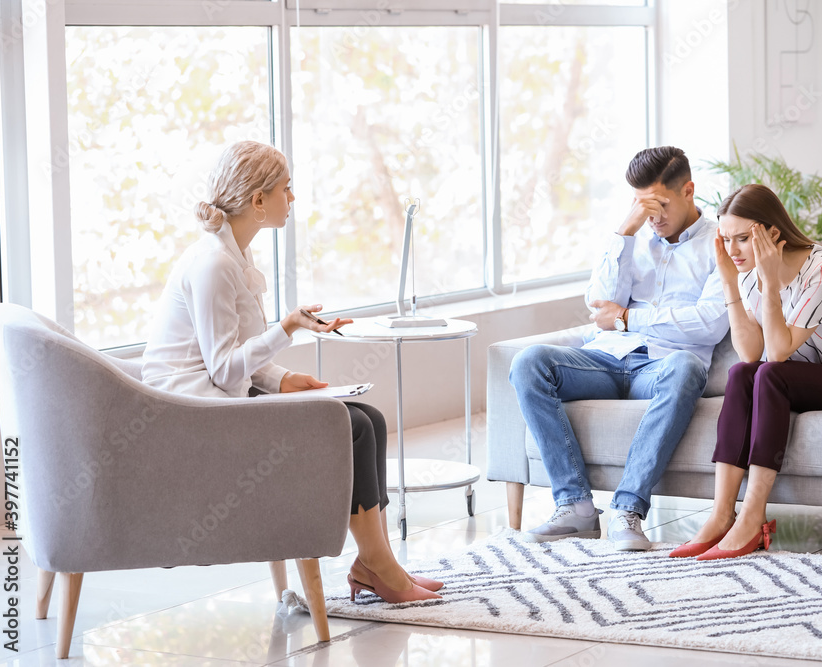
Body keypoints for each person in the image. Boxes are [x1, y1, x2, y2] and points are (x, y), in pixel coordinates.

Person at [142, 140, 440, 603]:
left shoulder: (233, 256)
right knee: (352, 426)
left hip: (218, 398)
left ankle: (374, 562)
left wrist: (281, 380)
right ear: (258, 201)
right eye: (286, 188)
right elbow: (222, 370)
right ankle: (379, 567)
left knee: (370, 420)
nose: (293, 199)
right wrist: (287, 327)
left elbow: (231, 356)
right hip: (197, 415)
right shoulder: (214, 264)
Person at [509, 146, 730, 551]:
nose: (654, 217)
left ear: (689, 191)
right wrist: (624, 233)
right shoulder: (633, 239)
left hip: (663, 367)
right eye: (643, 205)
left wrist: (629, 318)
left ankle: (628, 509)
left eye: (661, 204)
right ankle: (575, 506)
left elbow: (710, 324)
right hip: (606, 359)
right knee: (528, 362)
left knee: (685, 367)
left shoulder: (718, 243)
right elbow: (599, 302)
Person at [670, 183, 822, 561]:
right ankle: (720, 514)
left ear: (772, 233)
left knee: (769, 373)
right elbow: (750, 352)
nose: (732, 250)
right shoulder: (744, 272)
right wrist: (730, 281)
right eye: (726, 239)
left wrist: (771, 284)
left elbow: (777, 352)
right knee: (742, 374)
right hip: (804, 380)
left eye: (743, 239)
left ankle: (752, 517)